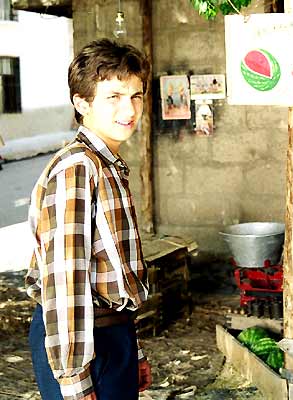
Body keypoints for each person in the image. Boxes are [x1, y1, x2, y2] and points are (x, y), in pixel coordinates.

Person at [25, 38, 153, 400]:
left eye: (136, 95)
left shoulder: (109, 165)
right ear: (82, 102)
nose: (129, 109)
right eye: (113, 96)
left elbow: (115, 275)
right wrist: (74, 378)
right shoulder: (78, 168)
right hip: (82, 343)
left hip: (112, 335)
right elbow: (65, 278)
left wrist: (134, 348)